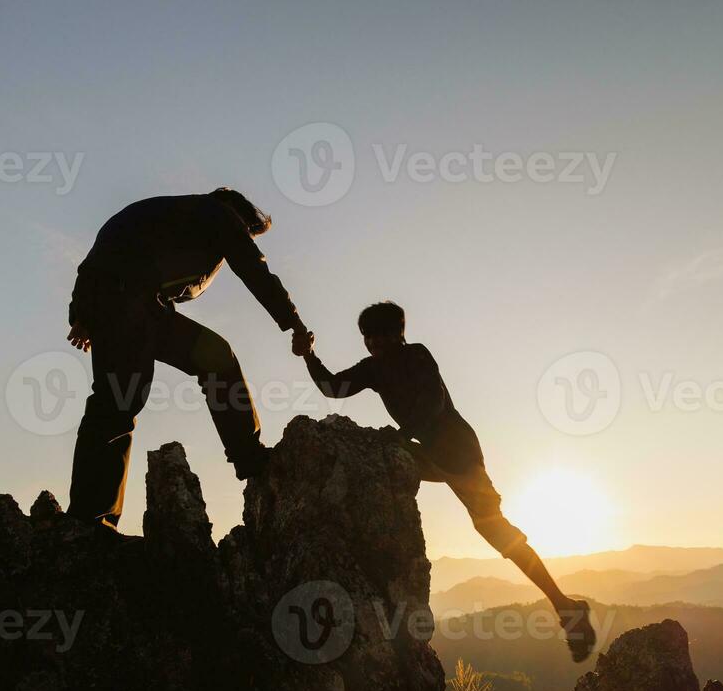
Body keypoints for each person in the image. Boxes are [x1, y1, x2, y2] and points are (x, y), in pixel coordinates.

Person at [294, 301, 596, 662]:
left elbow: (433, 403)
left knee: (494, 530)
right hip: (427, 453)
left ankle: (565, 606)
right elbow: (333, 388)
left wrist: (402, 436)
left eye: (380, 336)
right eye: (367, 337)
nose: (373, 343)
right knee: (373, 457)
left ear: (399, 335)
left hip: (459, 453)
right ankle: (565, 606)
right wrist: (308, 356)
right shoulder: (373, 369)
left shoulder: (417, 356)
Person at [65, 188, 311, 527]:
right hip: (128, 303)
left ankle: (248, 456)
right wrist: (294, 323)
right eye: (247, 232)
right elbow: (255, 270)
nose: (242, 239)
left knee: (213, 358)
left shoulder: (177, 216)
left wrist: (84, 310)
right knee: (118, 401)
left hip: (140, 305)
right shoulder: (217, 214)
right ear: (237, 215)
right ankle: (90, 517)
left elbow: (101, 253)